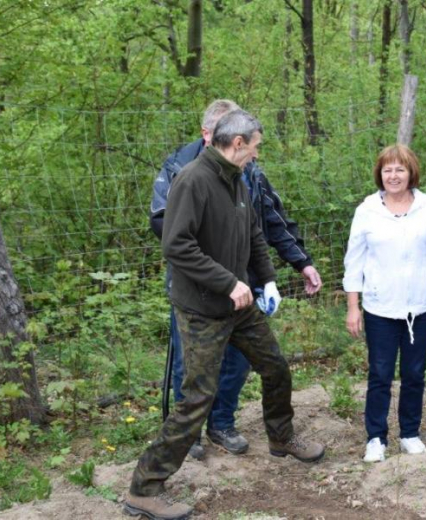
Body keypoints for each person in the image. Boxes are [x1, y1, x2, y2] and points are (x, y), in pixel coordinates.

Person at [125, 110, 324, 520]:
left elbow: (252, 231)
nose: (255, 154)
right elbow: (176, 246)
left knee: (275, 367)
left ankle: (281, 437)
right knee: (197, 396)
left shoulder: (237, 179)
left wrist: (265, 280)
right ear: (236, 143)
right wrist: (226, 282)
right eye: (254, 146)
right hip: (203, 309)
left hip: (241, 304)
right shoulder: (193, 180)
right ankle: (144, 488)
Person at [343, 144, 426, 463]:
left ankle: (410, 433)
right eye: (387, 170)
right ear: (380, 174)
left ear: (411, 173)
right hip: (380, 307)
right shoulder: (367, 210)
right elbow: (354, 261)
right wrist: (354, 306)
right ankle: (376, 438)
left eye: (400, 169)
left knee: (415, 371)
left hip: (422, 305)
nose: (393, 176)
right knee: (379, 372)